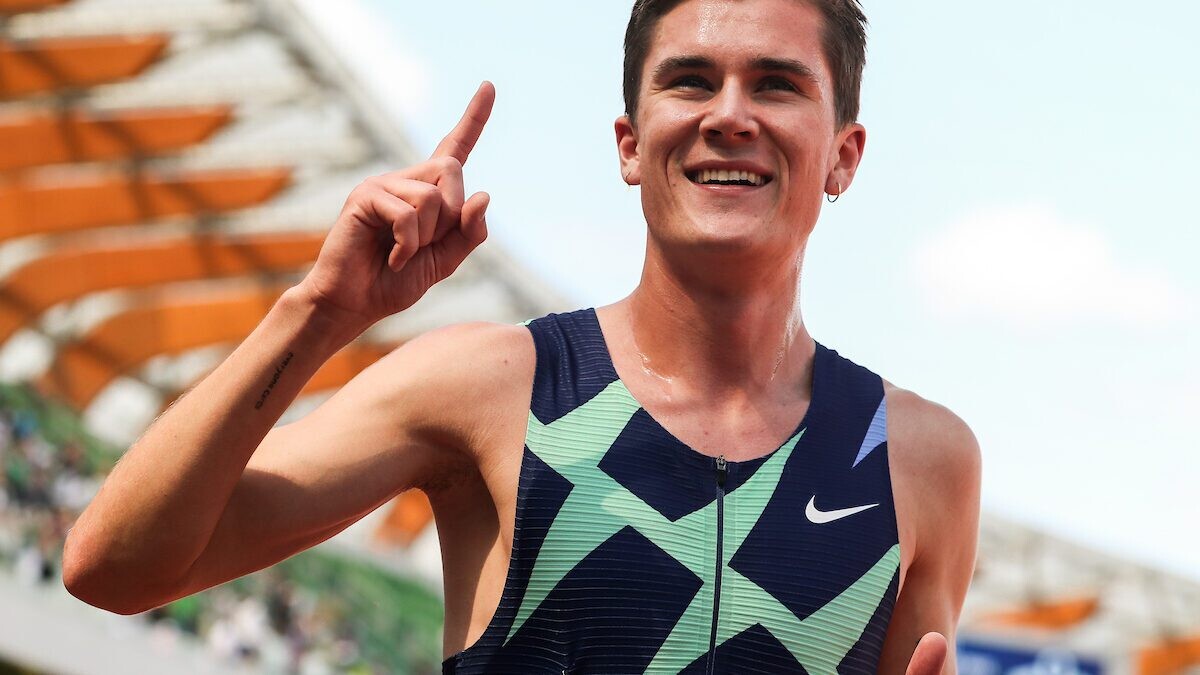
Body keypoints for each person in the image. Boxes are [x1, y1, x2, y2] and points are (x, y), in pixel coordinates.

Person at [61, 0, 981, 672]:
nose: (729, 114)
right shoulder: (491, 386)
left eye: (776, 84)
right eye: (691, 80)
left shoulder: (919, 460)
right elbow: (111, 566)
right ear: (630, 144)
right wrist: (317, 313)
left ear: (843, 156)